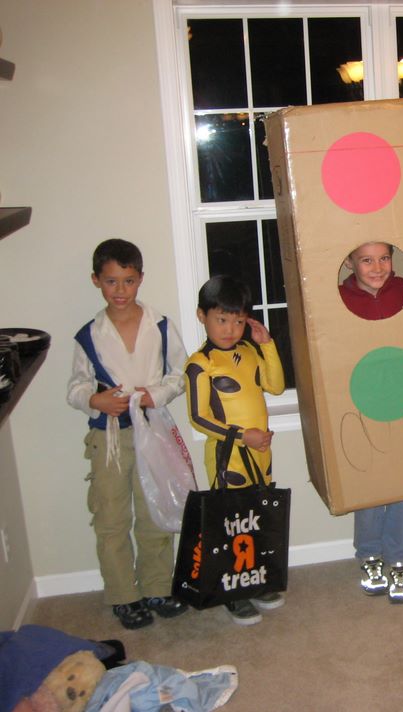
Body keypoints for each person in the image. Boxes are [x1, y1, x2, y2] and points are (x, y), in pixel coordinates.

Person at [67, 239, 190, 630]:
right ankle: (124, 594)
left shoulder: (160, 325)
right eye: (111, 281)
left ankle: (157, 586)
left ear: (140, 279)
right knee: (111, 517)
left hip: (152, 428)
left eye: (128, 281)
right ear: (96, 281)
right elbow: (75, 387)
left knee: (155, 509)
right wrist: (96, 400)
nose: (120, 290)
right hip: (109, 438)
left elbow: (180, 374)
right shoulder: (88, 335)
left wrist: (155, 394)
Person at [184, 275, 286, 625]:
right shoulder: (200, 364)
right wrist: (243, 436)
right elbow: (199, 418)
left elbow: (275, 386)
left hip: (260, 453)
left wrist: (267, 345)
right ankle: (232, 591)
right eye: (222, 320)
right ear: (202, 316)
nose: (230, 329)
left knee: (256, 519)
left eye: (239, 321)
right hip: (229, 456)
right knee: (231, 523)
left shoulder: (249, 352)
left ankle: (253, 581)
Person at [338, 242, 403, 603]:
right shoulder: (340, 297)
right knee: (369, 482)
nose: (377, 267)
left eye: (384, 258)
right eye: (367, 260)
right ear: (349, 262)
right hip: (361, 399)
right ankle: (370, 555)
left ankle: (401, 560)